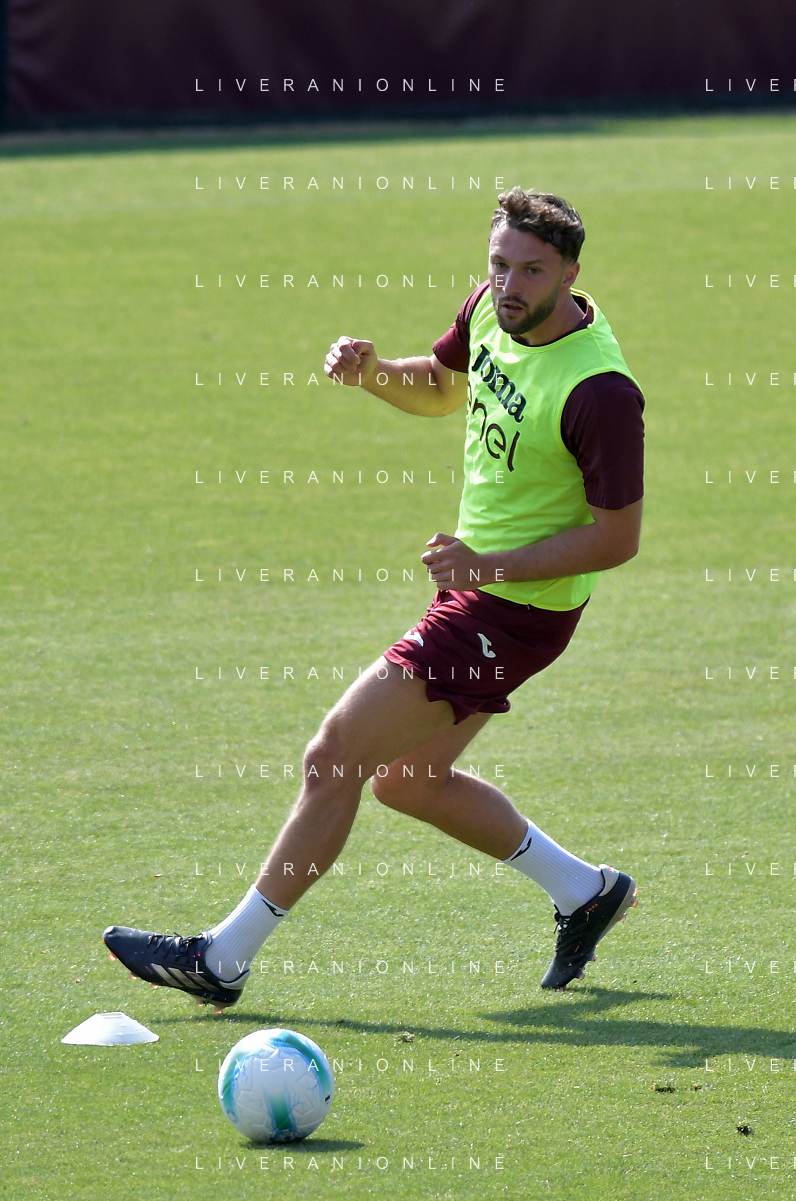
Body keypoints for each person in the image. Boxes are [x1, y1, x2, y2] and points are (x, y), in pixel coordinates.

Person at [104, 187, 644, 1011]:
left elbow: (616, 537)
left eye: (532, 271)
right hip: (481, 595)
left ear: (572, 273)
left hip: (515, 610)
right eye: (499, 264)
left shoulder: (599, 391)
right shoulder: (491, 311)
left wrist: (487, 567)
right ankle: (585, 890)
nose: (509, 284)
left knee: (335, 756)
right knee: (408, 780)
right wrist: (374, 374)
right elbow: (441, 384)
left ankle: (223, 957)